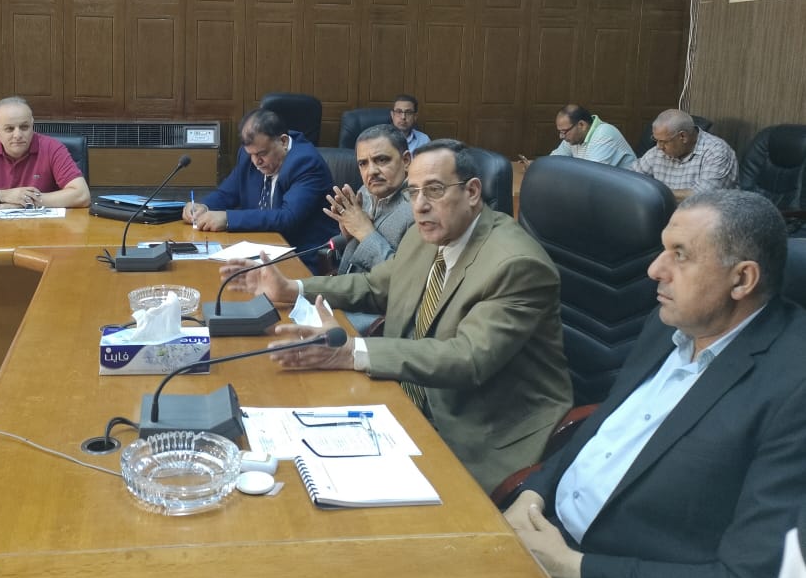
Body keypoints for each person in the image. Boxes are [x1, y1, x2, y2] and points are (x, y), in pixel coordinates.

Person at [505, 190, 806, 578]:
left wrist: (570, 567)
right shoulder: (672, 321)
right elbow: (604, 428)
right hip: (543, 534)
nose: (654, 270)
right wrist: (534, 492)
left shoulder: (794, 390)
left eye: (680, 255)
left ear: (741, 279)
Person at [222, 139, 571, 491]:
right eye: (413, 192)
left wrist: (351, 352)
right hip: (406, 402)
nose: (420, 206)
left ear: (472, 192)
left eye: (434, 190)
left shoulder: (515, 264)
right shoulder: (427, 234)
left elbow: (467, 358)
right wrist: (292, 289)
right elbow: (375, 285)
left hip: (478, 430)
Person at [185, 108, 334, 272]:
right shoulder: (249, 155)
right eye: (251, 154)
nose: (256, 161)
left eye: (262, 154)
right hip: (258, 250)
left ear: (283, 142)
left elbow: (287, 217)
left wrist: (228, 219)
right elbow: (227, 193)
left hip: (300, 257)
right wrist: (202, 207)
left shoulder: (306, 163)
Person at [326, 125, 414, 334]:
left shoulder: (418, 209)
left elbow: (405, 284)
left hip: (379, 316)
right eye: (363, 163)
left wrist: (365, 233)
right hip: (344, 295)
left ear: (406, 160)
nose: (371, 171)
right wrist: (348, 235)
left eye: (381, 160)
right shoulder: (364, 193)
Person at [633, 109, 738, 200]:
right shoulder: (658, 152)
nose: (659, 147)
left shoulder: (716, 152)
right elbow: (631, 179)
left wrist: (657, 192)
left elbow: (704, 197)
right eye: (656, 140)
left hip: (705, 214)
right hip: (666, 213)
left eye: (663, 141)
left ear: (683, 137)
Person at [549, 104, 635, 169]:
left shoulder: (604, 133)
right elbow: (553, 162)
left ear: (582, 125)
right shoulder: (572, 138)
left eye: (564, 131)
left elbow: (590, 176)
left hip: (629, 186)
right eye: (560, 132)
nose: (561, 136)